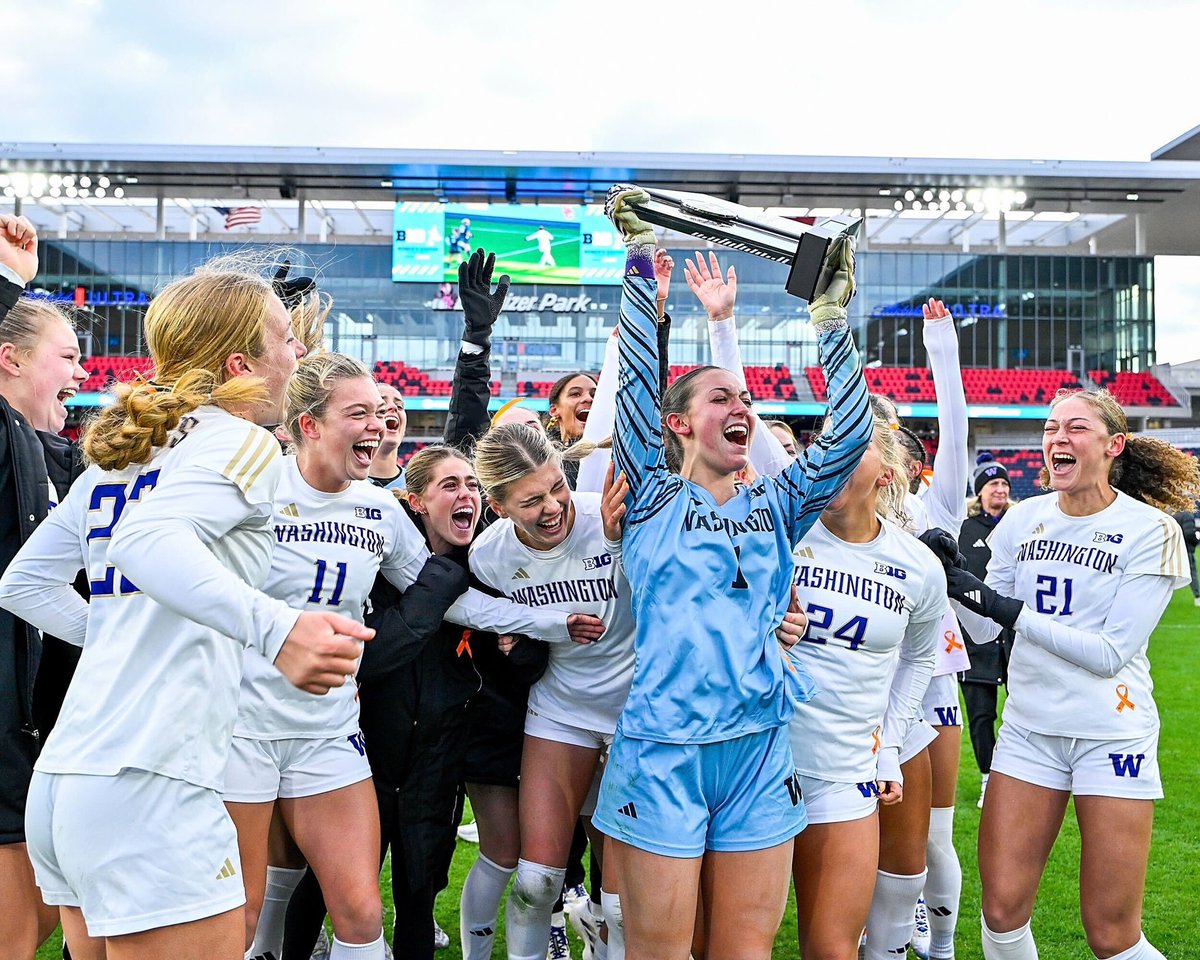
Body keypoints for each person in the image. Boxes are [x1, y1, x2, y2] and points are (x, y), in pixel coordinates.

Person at [0, 255, 381, 960]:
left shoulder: (127, 451)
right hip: (153, 783)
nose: (299, 354)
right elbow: (147, 542)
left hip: (67, 781)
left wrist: (119, 634)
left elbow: (23, 585)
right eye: (286, 339)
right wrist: (278, 629)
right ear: (241, 363)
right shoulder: (241, 440)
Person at [592, 184, 871, 960]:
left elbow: (849, 438)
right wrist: (641, 259)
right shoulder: (650, 494)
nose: (741, 407)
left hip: (758, 748)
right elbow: (637, 384)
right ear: (679, 423)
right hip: (663, 751)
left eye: (745, 398)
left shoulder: (779, 503)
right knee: (660, 953)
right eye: (722, 397)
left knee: (745, 951)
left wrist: (830, 320)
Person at [923, 388, 1200, 960]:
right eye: (1051, 428)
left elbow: (1109, 653)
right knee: (1000, 914)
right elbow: (983, 632)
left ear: (1114, 445)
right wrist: (947, 581)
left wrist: (1005, 609)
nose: (1058, 439)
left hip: (1111, 735)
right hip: (1029, 730)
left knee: (1112, 935)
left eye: (1075, 428)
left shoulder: (1151, 529)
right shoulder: (1023, 518)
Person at [469, 425, 636, 960]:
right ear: (497, 507)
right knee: (536, 882)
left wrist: (618, 541)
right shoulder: (488, 556)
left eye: (557, 487)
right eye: (531, 501)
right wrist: (524, 629)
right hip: (560, 711)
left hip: (636, 714)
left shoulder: (609, 516)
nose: (552, 507)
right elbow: (477, 612)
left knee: (621, 900)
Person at [788, 415, 946, 960]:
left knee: (831, 948)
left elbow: (919, 659)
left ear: (886, 474)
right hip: (757, 764)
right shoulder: (779, 532)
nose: (832, 457)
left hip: (845, 771)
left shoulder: (918, 565)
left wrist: (890, 747)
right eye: (825, 445)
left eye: (852, 448)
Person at [0, 213, 88, 960]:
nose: (82, 372)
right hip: (3, 724)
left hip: (31, 720)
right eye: (68, 356)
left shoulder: (48, 454)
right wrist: (9, 282)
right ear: (9, 360)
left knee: (49, 917)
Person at [958, 453, 1017, 809]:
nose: (1000, 489)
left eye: (1004, 484)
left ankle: (1024, 776)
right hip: (974, 639)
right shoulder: (964, 529)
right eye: (993, 483)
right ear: (980, 491)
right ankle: (987, 776)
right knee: (981, 715)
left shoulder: (1020, 524)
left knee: (1025, 708)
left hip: (1016, 636)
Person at [368, 382, 408, 489]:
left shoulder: (420, 487)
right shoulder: (339, 485)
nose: (394, 407)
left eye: (399, 406)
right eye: (382, 403)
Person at [1171, 506, 1198, 606]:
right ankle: (1198, 597)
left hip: (1172, 549)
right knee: (1192, 573)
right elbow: (1189, 534)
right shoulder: (1187, 516)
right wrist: (1196, 542)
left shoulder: (1173, 516)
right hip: (1186, 549)